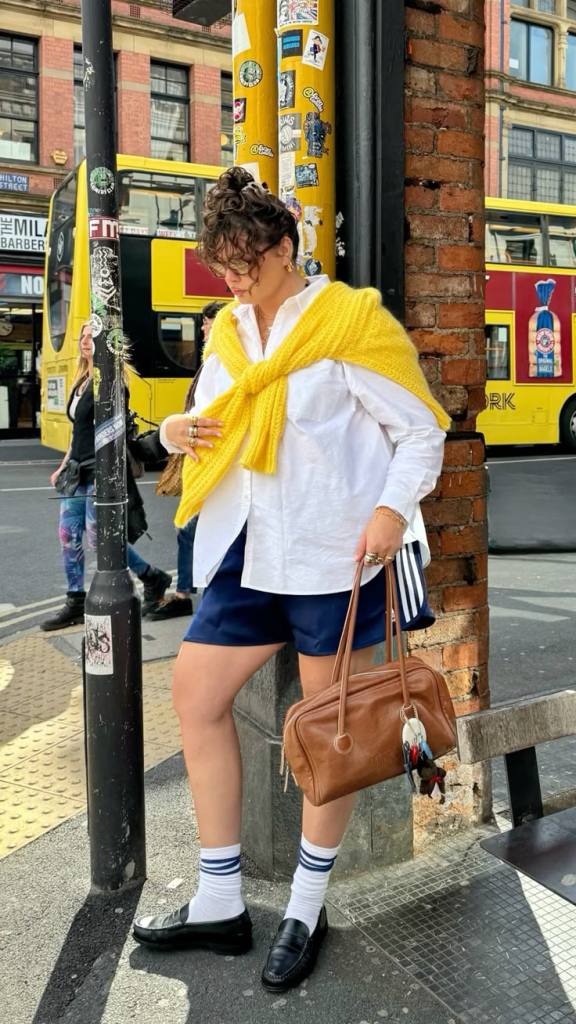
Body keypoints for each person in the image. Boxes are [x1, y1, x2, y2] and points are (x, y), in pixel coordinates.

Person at [133, 168, 449, 991]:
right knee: (195, 700)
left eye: (248, 266)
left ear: (285, 248)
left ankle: (306, 905)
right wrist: (175, 428)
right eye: (224, 270)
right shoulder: (230, 335)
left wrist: (388, 510)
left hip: (337, 558)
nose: (236, 284)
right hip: (249, 550)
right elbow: (215, 422)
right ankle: (219, 899)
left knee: (328, 742)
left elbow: (421, 433)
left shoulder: (348, 322)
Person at [41, 323, 172, 631]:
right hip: (76, 470)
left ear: (107, 343)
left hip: (99, 471)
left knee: (101, 539)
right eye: (83, 336)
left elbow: (112, 434)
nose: (85, 341)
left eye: (92, 337)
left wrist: (107, 478)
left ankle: (152, 576)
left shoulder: (112, 382)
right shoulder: (81, 381)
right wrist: (63, 464)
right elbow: (78, 432)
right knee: (67, 534)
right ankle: (74, 601)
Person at [149, 301, 225, 621]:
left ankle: (190, 596)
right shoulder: (210, 363)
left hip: (213, 465)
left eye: (209, 323)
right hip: (203, 462)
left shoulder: (222, 362)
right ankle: (188, 593)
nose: (204, 329)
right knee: (189, 530)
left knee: (197, 531)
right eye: (204, 323)